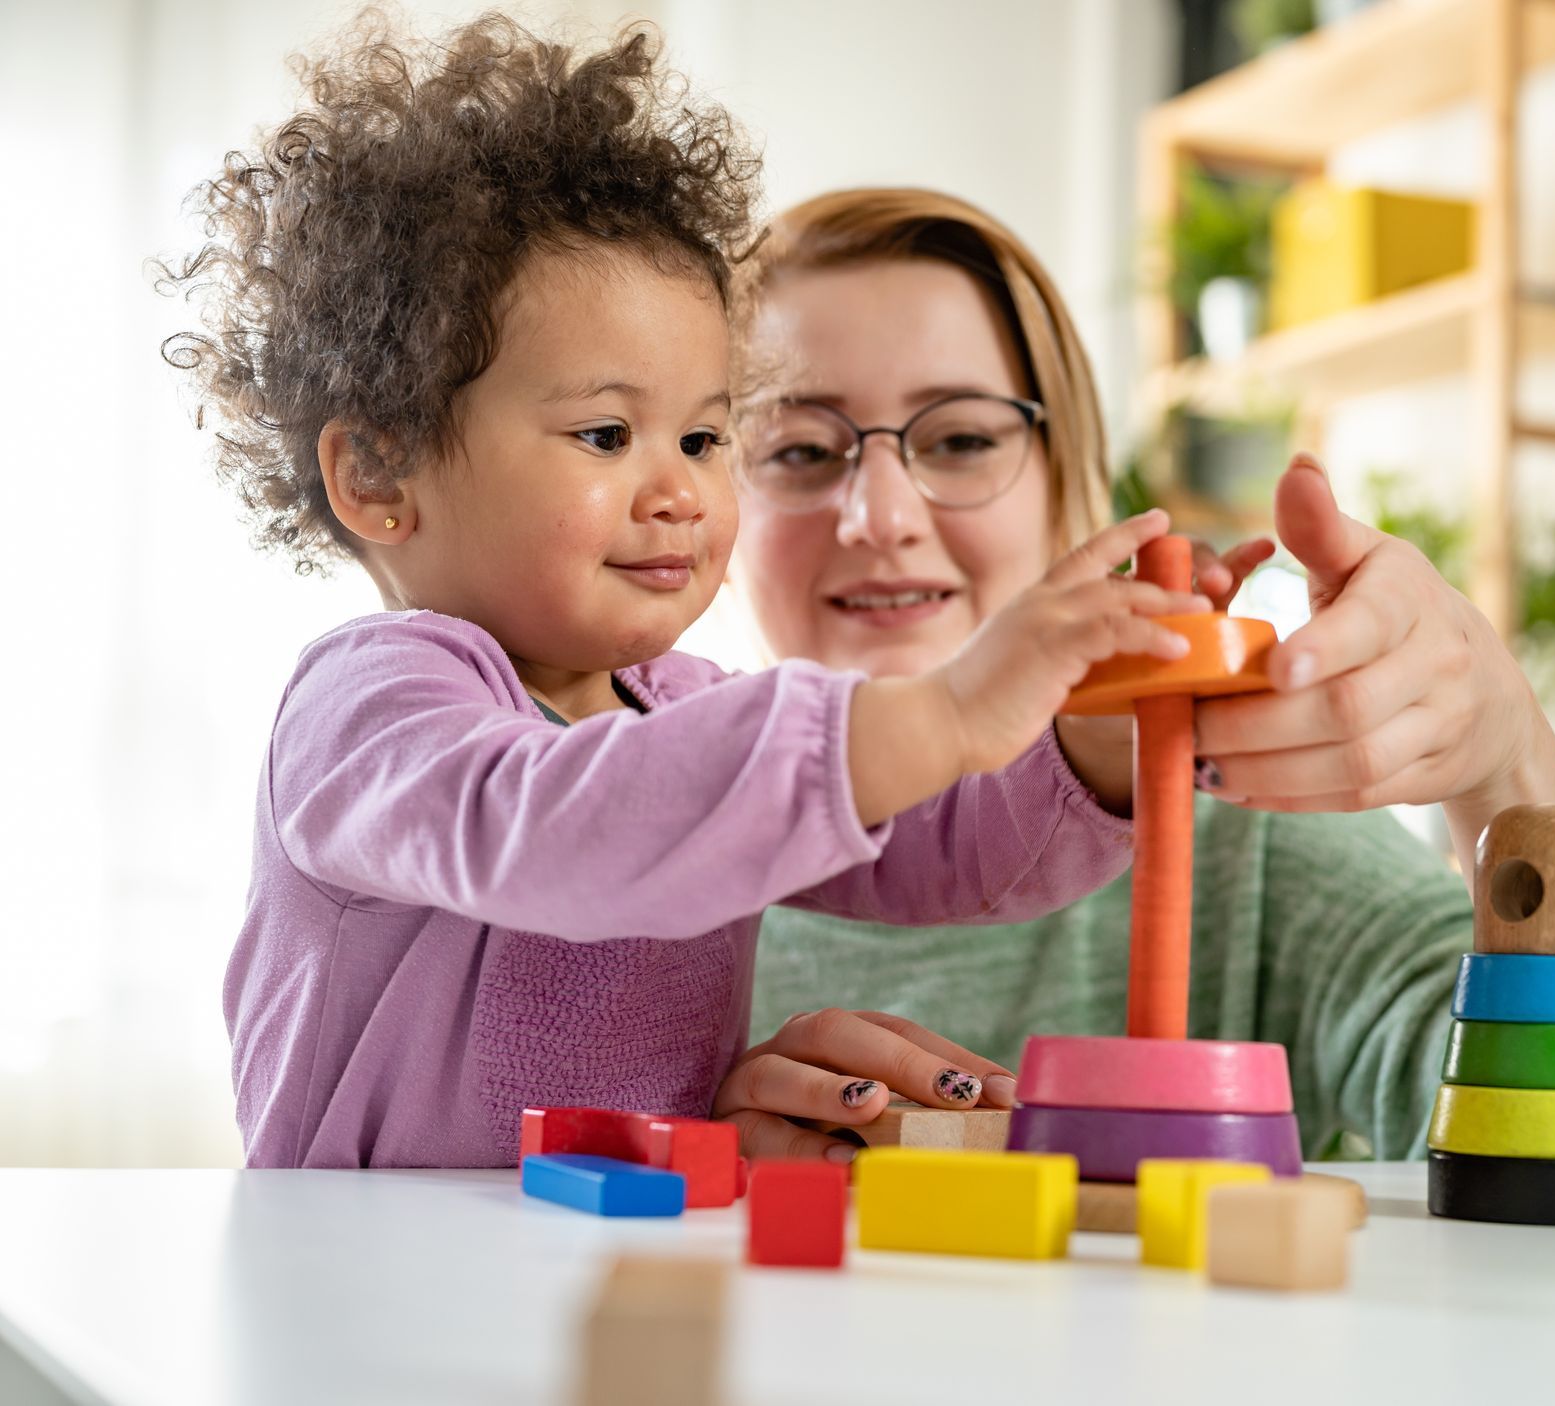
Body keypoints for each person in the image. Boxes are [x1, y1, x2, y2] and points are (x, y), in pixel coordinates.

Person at [158, 17, 1217, 1168]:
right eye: (607, 433)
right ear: (376, 474)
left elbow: (934, 842)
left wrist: (1090, 743)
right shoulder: (370, 707)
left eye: (709, 436)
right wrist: (947, 710)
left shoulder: (687, 708)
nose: (682, 491)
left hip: (624, 1263)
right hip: (371, 1278)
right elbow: (558, 823)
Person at [730, 188, 1555, 1198]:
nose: (881, 514)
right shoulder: (612, 836)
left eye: (960, 438)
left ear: (1066, 479)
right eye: (800, 448)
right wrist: (670, 1146)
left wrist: (1508, 767)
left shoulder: (1239, 839)